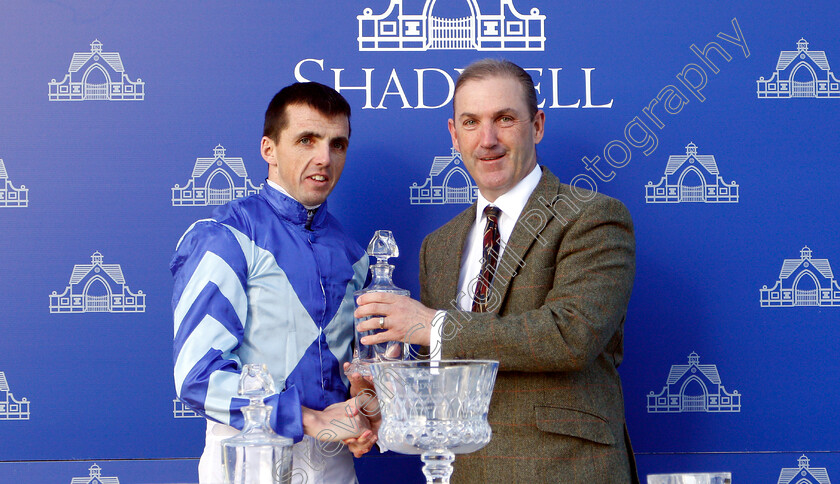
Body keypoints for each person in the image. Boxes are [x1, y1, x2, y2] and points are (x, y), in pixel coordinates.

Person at [354, 59, 639, 482]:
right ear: (454, 135)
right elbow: (446, 372)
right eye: (470, 122)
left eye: (504, 119)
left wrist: (433, 327)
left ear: (537, 125)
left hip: (566, 471)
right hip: (464, 472)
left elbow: (570, 335)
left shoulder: (592, 218)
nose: (487, 140)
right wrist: (387, 389)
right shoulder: (440, 245)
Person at [171, 82, 376, 484]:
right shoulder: (225, 235)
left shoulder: (355, 253)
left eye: (338, 144)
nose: (324, 158)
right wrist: (310, 419)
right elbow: (198, 376)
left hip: (335, 465)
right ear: (269, 150)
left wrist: (366, 406)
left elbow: (360, 371)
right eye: (306, 140)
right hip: (247, 466)